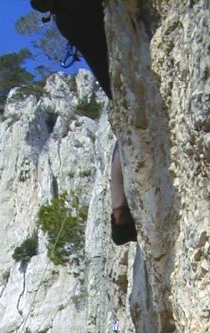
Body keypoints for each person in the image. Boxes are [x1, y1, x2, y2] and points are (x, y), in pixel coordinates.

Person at [30, 0, 137, 245]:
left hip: (71, 18)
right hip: (83, 13)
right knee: (125, 106)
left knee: (123, 106)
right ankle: (119, 212)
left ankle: (119, 212)